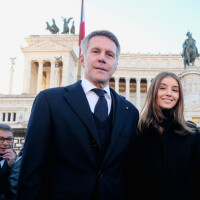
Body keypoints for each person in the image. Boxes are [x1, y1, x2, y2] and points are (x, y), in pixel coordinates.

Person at [17, 30, 139, 200]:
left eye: (109, 54)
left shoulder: (130, 112)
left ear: (116, 65)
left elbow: (129, 173)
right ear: (82, 59)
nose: (102, 58)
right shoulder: (50, 101)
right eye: (95, 51)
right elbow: (31, 171)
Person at [135, 71, 200, 200]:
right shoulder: (139, 132)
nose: (169, 93)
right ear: (153, 92)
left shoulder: (191, 133)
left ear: (179, 96)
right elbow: (133, 180)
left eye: (175, 90)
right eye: (162, 88)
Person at [0, 123, 16, 200]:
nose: (5, 143)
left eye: (9, 139)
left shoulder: (19, 162)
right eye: (1, 139)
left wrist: (12, 166)